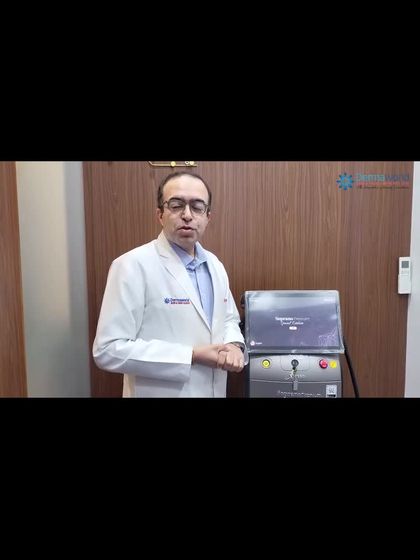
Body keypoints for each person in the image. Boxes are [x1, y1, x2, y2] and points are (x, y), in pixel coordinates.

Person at [93, 171, 247, 397]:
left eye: (197, 207)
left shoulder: (215, 265)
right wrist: (190, 356)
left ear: (208, 217)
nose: (187, 215)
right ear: (160, 215)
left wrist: (234, 344)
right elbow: (107, 350)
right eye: (176, 205)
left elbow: (228, 319)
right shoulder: (132, 265)